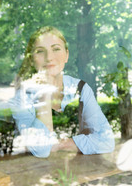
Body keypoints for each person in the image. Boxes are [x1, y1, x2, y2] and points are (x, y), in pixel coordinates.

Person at [10, 26, 115, 158]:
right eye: (40, 51)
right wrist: (44, 94)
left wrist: (60, 145)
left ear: (66, 55)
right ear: (32, 60)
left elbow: (107, 142)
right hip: (36, 174)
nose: (49, 57)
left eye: (56, 49)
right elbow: (41, 150)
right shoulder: (22, 97)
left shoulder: (81, 89)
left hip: (80, 174)